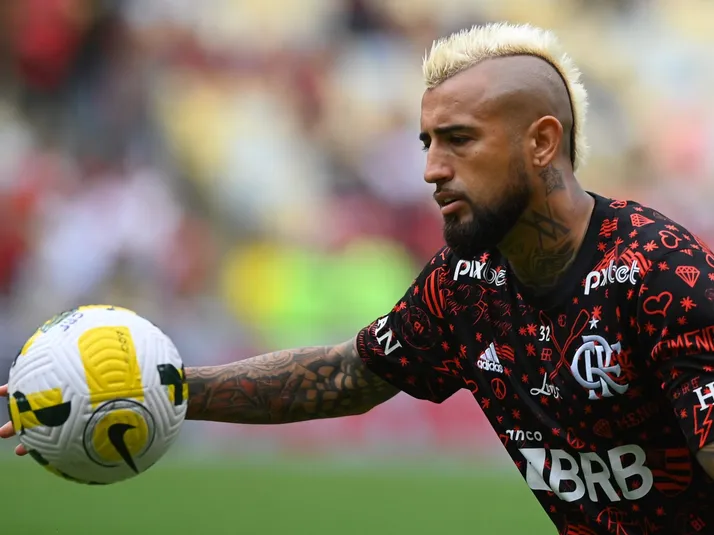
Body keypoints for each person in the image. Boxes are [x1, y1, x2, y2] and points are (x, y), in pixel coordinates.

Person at [3, 21, 714, 534]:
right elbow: (350, 375)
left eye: (459, 140)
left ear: (542, 142)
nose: (431, 169)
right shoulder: (463, 284)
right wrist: (159, 387)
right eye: (427, 143)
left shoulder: (662, 277)